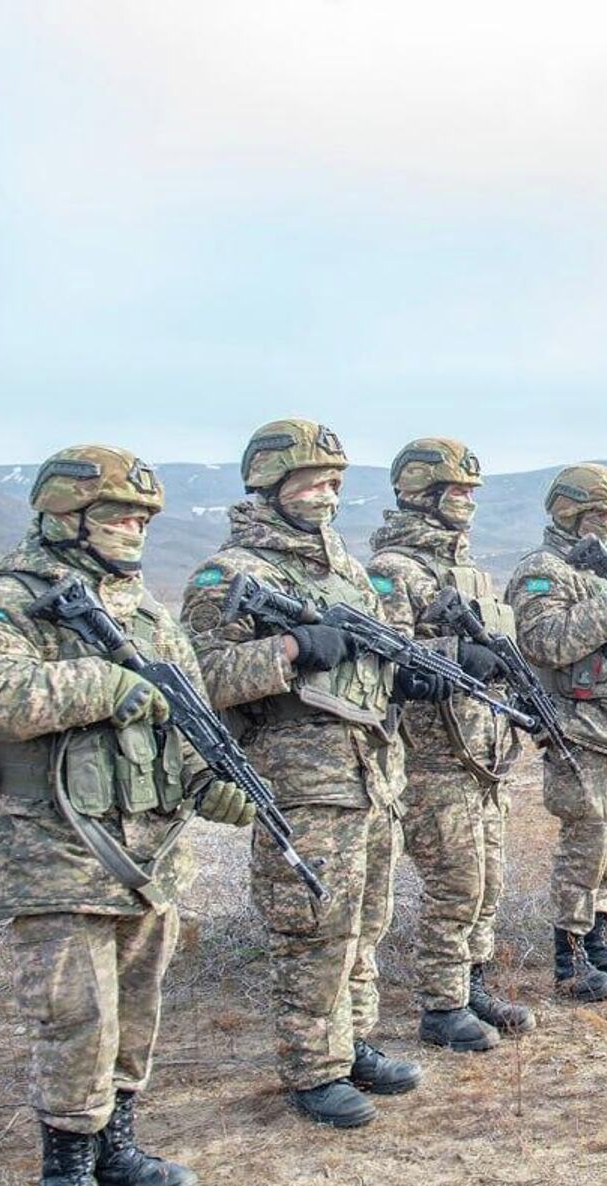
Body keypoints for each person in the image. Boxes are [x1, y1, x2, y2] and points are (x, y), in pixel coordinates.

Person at [0, 445, 255, 1186]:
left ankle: (117, 1149)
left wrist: (211, 785)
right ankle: (66, 1172)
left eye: (143, 519)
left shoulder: (147, 614)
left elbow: (184, 721)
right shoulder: (4, 606)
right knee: (75, 1017)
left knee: (136, 1014)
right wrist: (104, 683)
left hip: (147, 857)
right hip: (53, 855)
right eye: (117, 516)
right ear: (62, 515)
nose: (133, 531)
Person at [181, 419, 423, 1126]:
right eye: (313, 482)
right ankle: (312, 1068)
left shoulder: (345, 569)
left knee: (366, 919)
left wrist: (408, 675)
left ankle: (354, 1042)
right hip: (301, 783)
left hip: (368, 773)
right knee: (313, 927)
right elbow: (199, 677)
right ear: (272, 484)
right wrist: (288, 649)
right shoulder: (229, 575)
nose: (327, 495)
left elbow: (371, 655)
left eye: (335, 483)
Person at [367, 437, 536, 1050]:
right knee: (455, 885)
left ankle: (474, 984)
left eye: (470, 491)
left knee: (487, 882)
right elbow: (381, 658)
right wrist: (455, 655)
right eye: (455, 490)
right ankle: (441, 1005)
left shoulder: (468, 569)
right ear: (421, 493)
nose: (466, 501)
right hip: (432, 760)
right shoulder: (394, 572)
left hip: (480, 757)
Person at [503, 463, 607, 1001]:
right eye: (602, 513)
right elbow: (544, 641)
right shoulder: (540, 571)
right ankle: (568, 960)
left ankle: (600, 942)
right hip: (575, 727)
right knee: (585, 840)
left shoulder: (600, 571)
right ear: (570, 511)